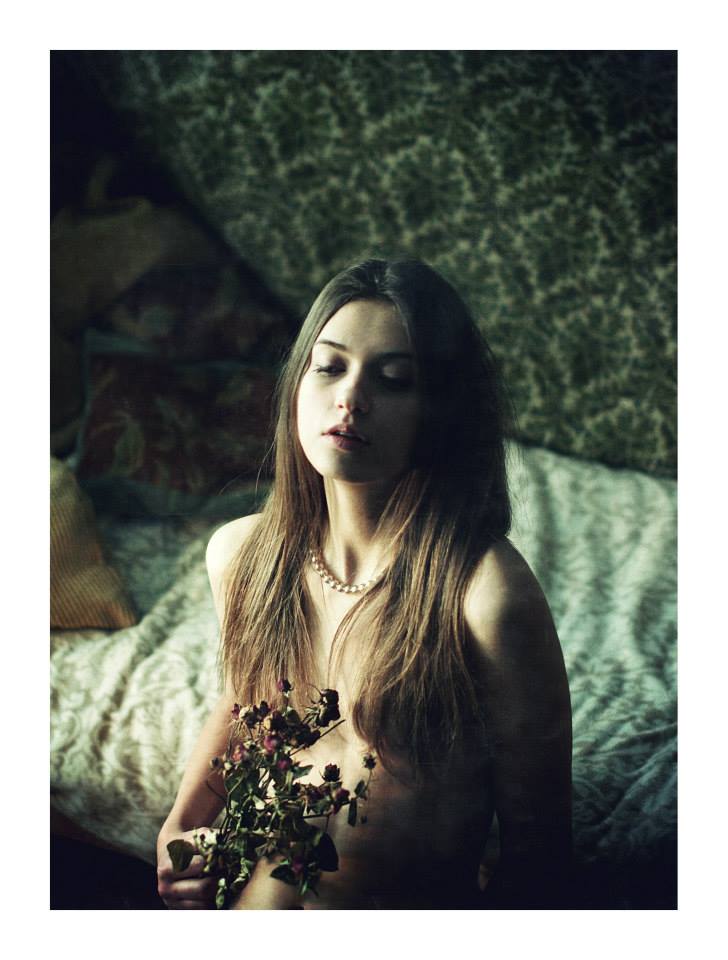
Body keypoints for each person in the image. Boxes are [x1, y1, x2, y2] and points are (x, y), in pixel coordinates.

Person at [156, 258, 572, 909]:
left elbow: (539, 853)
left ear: (441, 411)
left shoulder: (485, 598)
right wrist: (180, 822)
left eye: (394, 379)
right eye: (329, 367)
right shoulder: (241, 556)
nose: (350, 398)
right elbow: (245, 700)